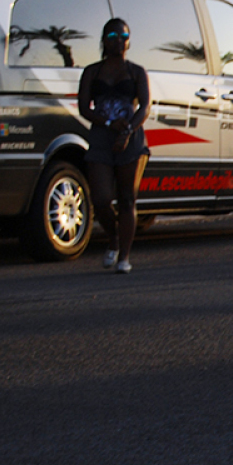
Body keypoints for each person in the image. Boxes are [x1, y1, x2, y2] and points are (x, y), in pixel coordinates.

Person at [77, 18, 151, 274]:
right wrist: (109, 123)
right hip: (101, 136)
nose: (118, 41)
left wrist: (129, 130)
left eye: (123, 36)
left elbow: (145, 105)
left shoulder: (136, 71)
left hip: (130, 138)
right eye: (112, 36)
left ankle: (125, 257)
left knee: (127, 198)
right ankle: (113, 238)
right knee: (100, 199)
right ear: (103, 40)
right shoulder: (92, 72)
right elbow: (84, 108)